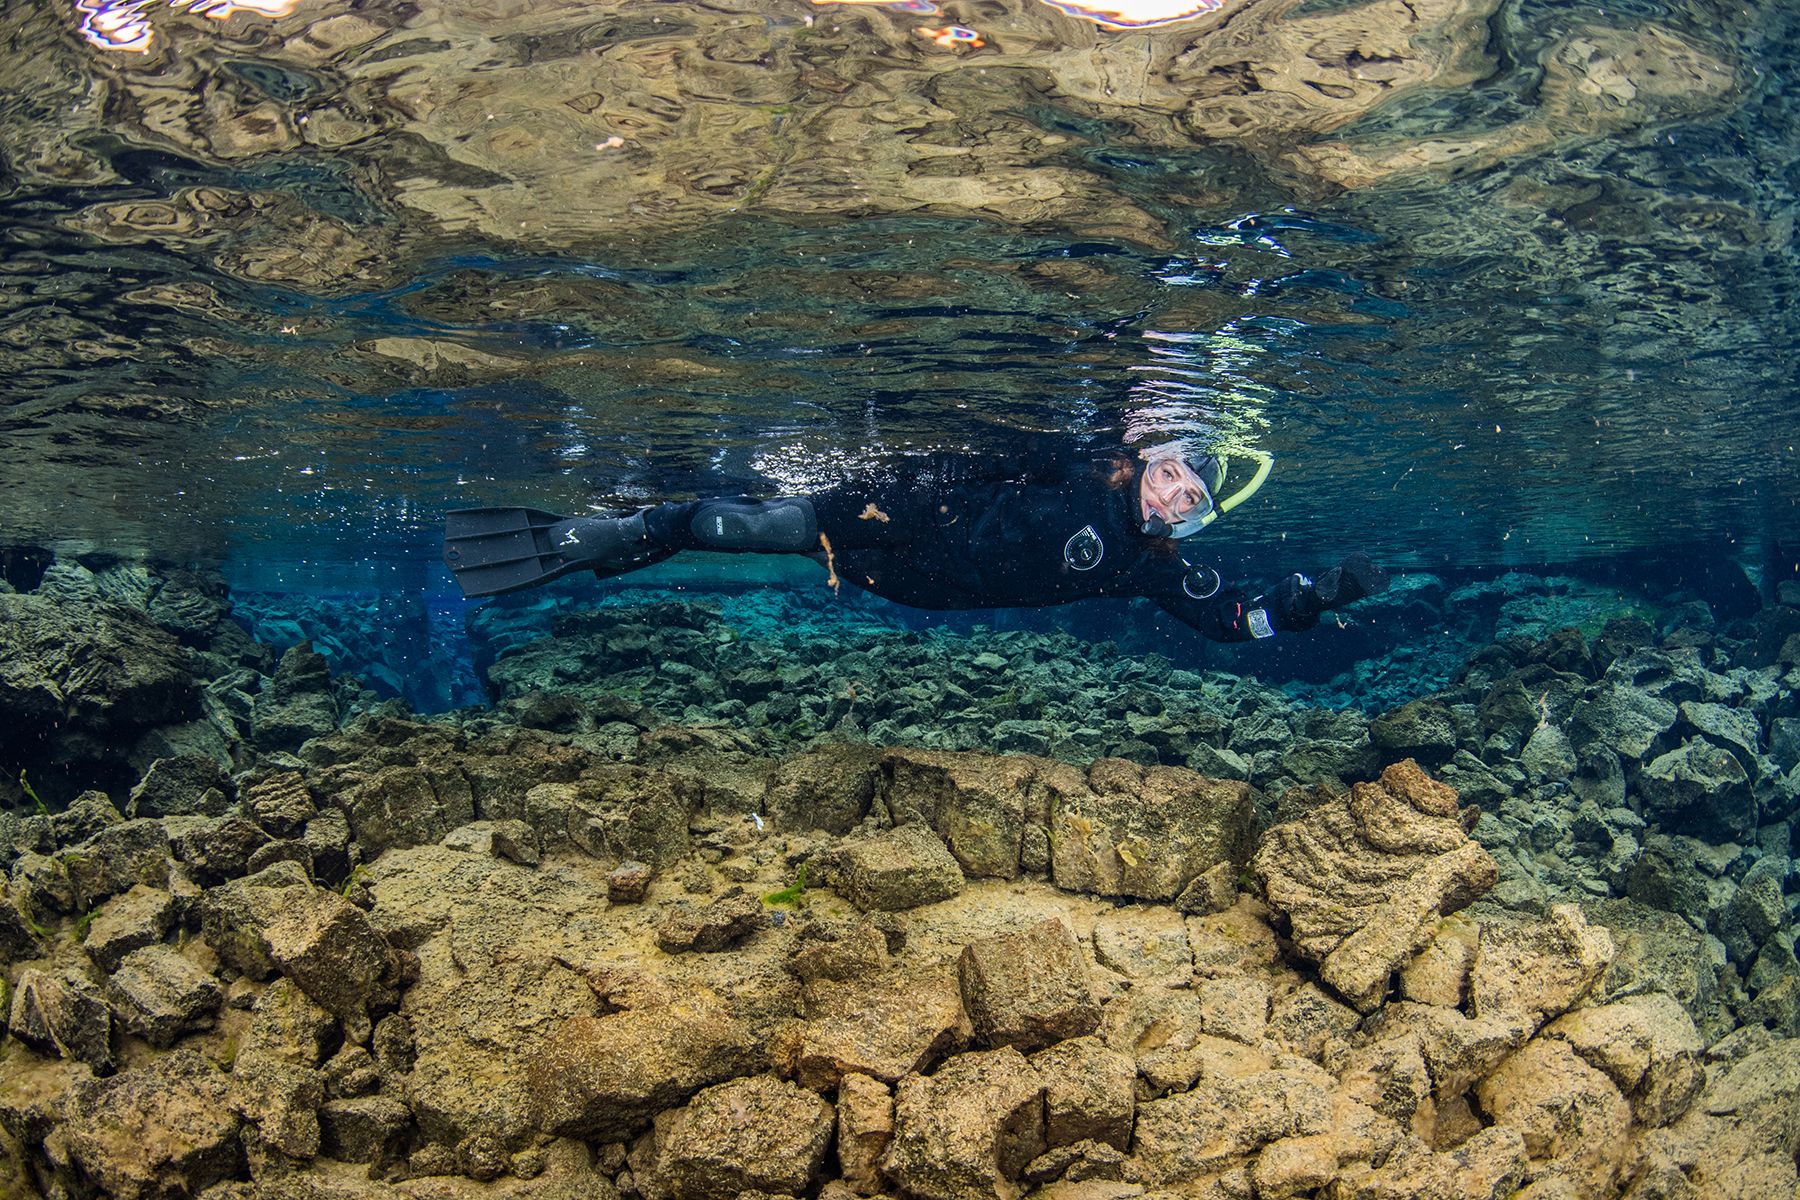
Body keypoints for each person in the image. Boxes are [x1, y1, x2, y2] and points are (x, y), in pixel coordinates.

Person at [442, 443, 1388, 642]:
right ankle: (609, 532)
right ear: (1144, 463)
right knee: (724, 526)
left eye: (1194, 494)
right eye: (1174, 467)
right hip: (883, 516)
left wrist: (1316, 595)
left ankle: (640, 532)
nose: (1178, 491)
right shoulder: (1078, 460)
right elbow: (977, 450)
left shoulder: (1153, 567)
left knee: (731, 531)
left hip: (912, 588)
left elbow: (1236, 619)